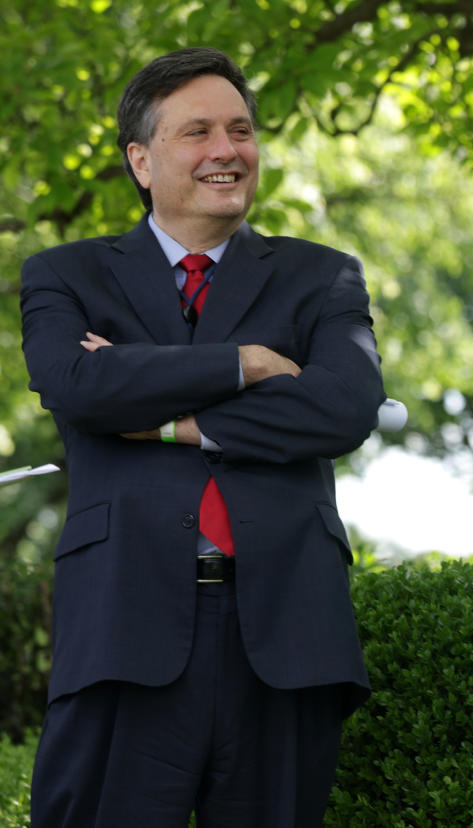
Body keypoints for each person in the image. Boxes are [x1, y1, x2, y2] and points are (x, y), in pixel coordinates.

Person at [21, 47, 385, 826]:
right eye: (198, 133)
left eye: (241, 130)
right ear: (141, 160)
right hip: (123, 630)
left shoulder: (322, 277)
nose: (227, 151)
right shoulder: (66, 275)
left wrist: (166, 417)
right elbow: (78, 387)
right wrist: (246, 363)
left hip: (285, 640)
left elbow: (342, 410)